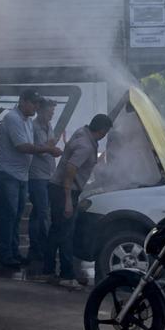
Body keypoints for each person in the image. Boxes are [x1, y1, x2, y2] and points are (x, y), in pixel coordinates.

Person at [0, 89, 62, 269]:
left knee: (16, 216)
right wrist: (47, 149)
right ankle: (6, 254)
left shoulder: (27, 121)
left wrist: (46, 147)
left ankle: (13, 252)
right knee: (9, 216)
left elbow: (32, 145)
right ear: (22, 101)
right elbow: (22, 146)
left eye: (37, 103)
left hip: (21, 175)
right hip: (7, 173)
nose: (36, 107)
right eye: (33, 103)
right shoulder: (12, 118)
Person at [44, 114, 114, 289]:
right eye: (106, 132)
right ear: (102, 131)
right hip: (64, 191)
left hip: (58, 188)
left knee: (56, 231)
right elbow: (70, 168)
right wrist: (68, 199)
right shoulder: (85, 145)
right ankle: (67, 275)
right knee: (67, 233)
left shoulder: (82, 133)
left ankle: (48, 271)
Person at [27, 97, 58, 267]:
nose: (51, 115)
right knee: (43, 212)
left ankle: (35, 248)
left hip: (48, 173)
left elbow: (49, 145)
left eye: (52, 112)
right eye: (49, 112)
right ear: (40, 110)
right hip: (37, 174)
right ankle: (44, 248)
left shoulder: (49, 125)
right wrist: (50, 148)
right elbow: (39, 149)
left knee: (38, 213)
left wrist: (49, 147)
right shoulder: (33, 126)